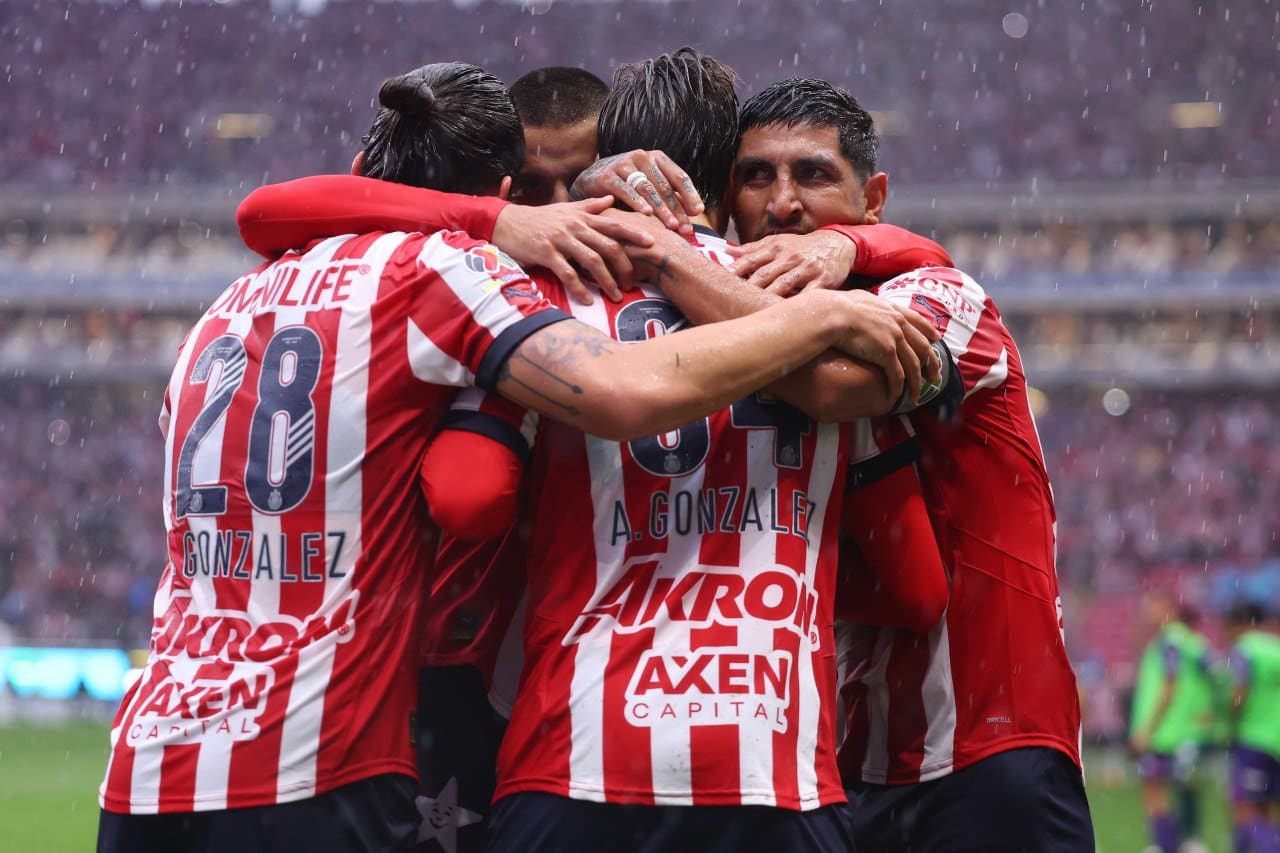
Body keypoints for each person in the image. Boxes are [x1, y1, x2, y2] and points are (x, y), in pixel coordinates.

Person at [96, 62, 917, 853]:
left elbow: (466, 492)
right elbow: (914, 579)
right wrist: (829, 303)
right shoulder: (475, 274)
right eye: (533, 194)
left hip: (175, 746)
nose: (560, 218)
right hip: (754, 760)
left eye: (572, 188)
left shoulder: (226, 306)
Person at [605, 75, 1092, 851]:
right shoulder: (723, 348)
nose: (783, 203)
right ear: (725, 201)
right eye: (756, 176)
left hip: (992, 744)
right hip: (848, 760)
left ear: (873, 200)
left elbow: (834, 385)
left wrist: (666, 254)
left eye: (813, 175)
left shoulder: (944, 293)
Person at [1130, 595, 1218, 853]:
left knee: (1154, 787)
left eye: (1153, 607)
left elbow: (1168, 686)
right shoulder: (1193, 642)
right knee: (1184, 786)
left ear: (1169, 609)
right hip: (1186, 730)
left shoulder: (1170, 641)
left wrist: (1146, 728)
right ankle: (1191, 841)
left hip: (1163, 730)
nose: (1148, 612)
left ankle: (1164, 844)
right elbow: (1216, 676)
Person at [1223, 602, 1280, 853]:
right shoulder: (1275, 648)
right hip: (1276, 741)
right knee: (1266, 807)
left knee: (1243, 806)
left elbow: (1239, 694)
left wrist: (1226, 716)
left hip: (1255, 738)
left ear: (1239, 626)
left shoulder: (1245, 649)